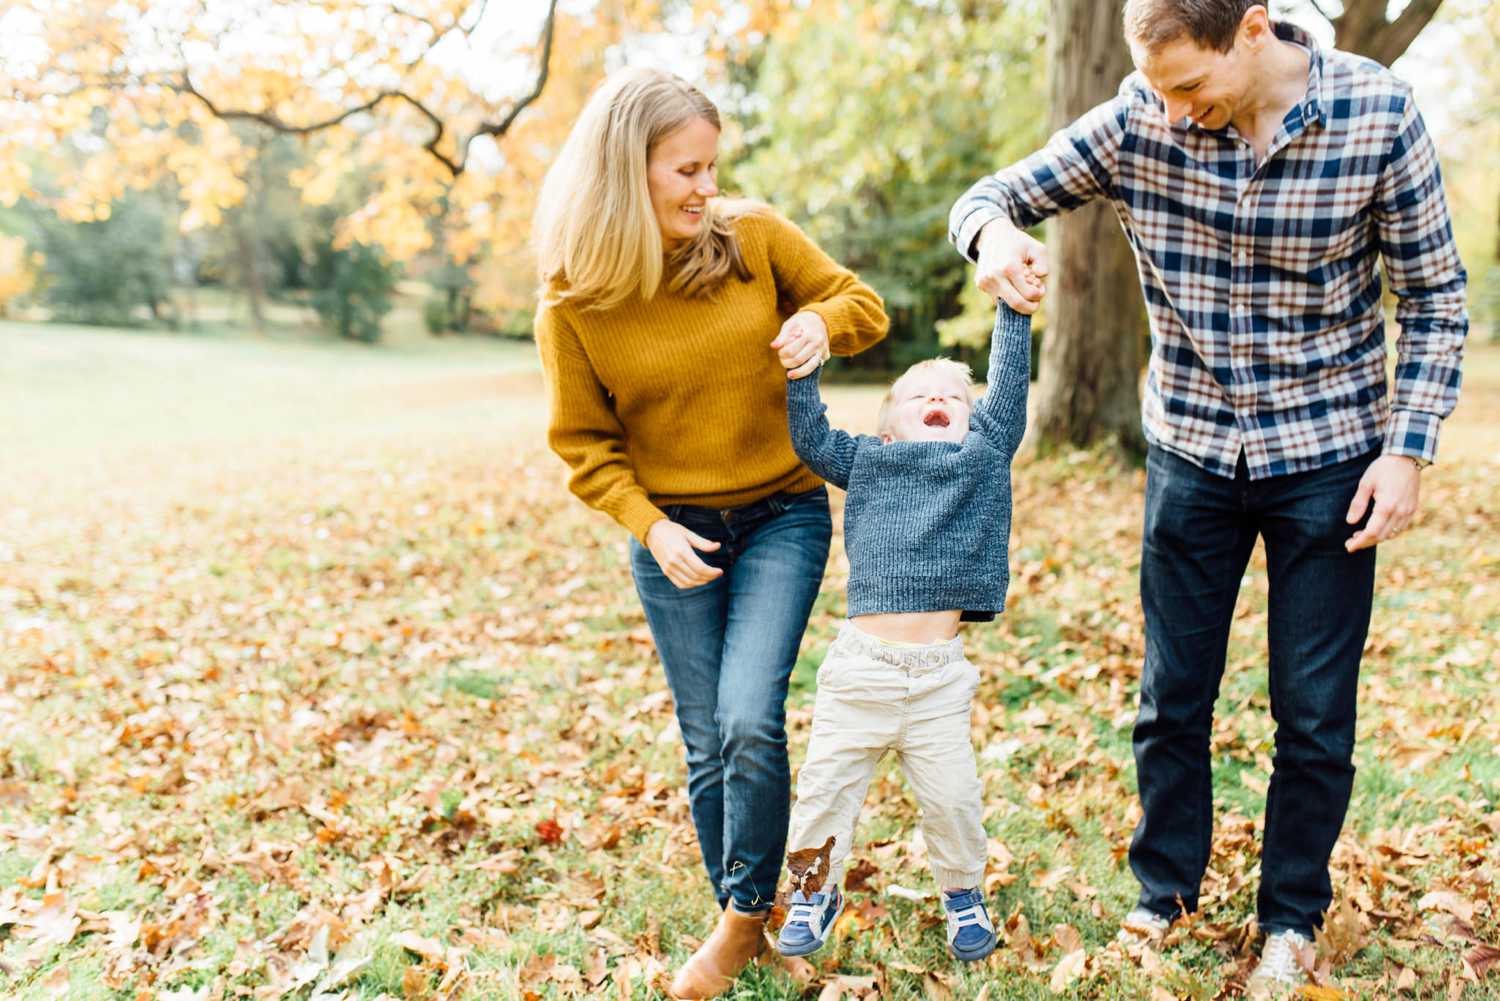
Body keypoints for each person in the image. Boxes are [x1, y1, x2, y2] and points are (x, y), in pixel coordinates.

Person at [949, 0, 1466, 992]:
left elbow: (1437, 301)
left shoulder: (1380, 112)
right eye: (1159, 88)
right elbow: (992, 193)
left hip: (1331, 456)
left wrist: (1407, 451)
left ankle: (1291, 916)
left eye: (1193, 85)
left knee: (1314, 711)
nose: (1176, 111)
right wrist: (991, 240)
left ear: (1257, 29)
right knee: (1171, 693)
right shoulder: (1141, 115)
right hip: (1191, 449)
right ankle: (1164, 891)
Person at [531, 68, 888, 1000]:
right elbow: (585, 447)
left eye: (710, 167)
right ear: (623, 171)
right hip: (674, 537)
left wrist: (815, 318)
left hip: (781, 513)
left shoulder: (752, 238)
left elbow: (864, 304)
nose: (704, 188)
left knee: (746, 718)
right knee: (705, 740)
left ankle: (736, 926)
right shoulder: (574, 306)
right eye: (684, 170)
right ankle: (753, 917)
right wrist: (649, 529)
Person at [772, 300, 1033, 964]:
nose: (940, 398)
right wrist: (804, 369)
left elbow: (1004, 394)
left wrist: (1013, 311)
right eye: (920, 395)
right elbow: (811, 437)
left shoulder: (982, 456)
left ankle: (962, 893)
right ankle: (812, 889)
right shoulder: (869, 460)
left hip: (938, 679)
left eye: (954, 396)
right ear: (888, 427)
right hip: (860, 670)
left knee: (953, 799)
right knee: (827, 789)